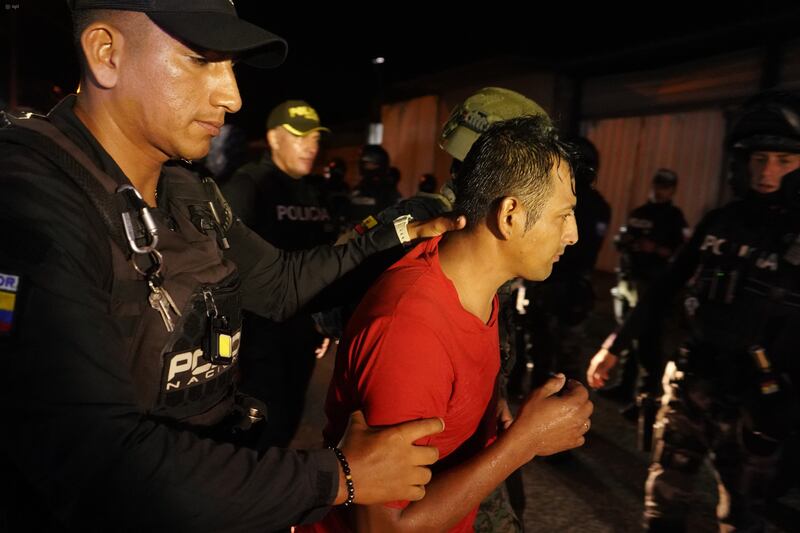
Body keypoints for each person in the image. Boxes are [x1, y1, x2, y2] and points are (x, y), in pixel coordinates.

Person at [0, 2, 464, 530]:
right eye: (201, 60)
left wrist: (398, 235)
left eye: (232, 67)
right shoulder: (30, 202)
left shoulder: (184, 186)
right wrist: (336, 477)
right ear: (107, 53)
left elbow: (282, 284)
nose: (233, 96)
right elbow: (100, 462)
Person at [300, 116, 594, 533]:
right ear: (510, 215)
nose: (573, 235)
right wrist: (523, 443)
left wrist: (489, 417)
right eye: (563, 216)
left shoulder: (474, 285)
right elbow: (383, 527)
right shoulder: (410, 332)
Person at [587, 90, 800, 532]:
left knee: (743, 515)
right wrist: (615, 346)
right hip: (696, 380)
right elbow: (665, 286)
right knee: (664, 504)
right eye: (759, 158)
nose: (767, 172)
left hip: (760, 397)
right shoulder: (718, 222)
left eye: (783, 161)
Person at [222, 100, 337, 448]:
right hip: (259, 337)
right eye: (300, 136)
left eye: (315, 138)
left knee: (287, 422)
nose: (311, 146)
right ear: (274, 138)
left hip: (303, 334)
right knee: (255, 430)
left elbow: (321, 259)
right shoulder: (247, 186)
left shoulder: (311, 190)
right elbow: (220, 263)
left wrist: (325, 321)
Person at [518, 136, 611, 392]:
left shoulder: (570, 201)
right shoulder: (598, 205)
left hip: (555, 285)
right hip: (571, 287)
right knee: (561, 358)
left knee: (544, 356)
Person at [602, 169, 688, 417]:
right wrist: (629, 242)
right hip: (629, 281)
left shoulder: (674, 218)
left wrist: (656, 248)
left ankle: (645, 402)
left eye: (666, 187)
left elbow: (681, 255)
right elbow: (620, 239)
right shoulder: (640, 212)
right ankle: (624, 388)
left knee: (649, 344)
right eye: (658, 185)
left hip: (652, 288)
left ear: (673, 190)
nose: (660, 190)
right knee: (626, 337)